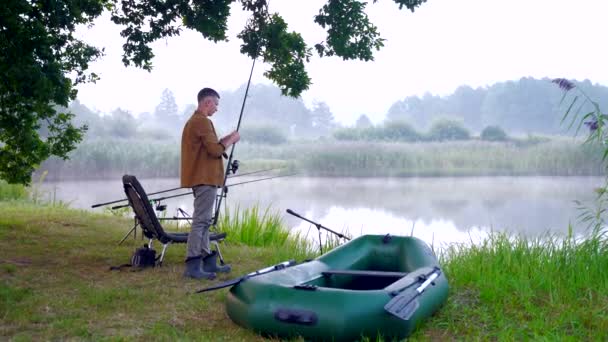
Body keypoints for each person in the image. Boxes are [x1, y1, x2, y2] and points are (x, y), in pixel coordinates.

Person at [180, 87, 240, 280]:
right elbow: (215, 151)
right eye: (216, 104)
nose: (217, 108)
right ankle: (192, 265)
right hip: (204, 179)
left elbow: (211, 146)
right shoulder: (202, 121)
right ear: (207, 102)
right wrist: (231, 140)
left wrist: (225, 139)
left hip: (203, 179)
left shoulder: (197, 121)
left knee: (204, 221)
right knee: (200, 222)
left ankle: (207, 261)